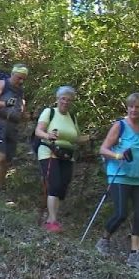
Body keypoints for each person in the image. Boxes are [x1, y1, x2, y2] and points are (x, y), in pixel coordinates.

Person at [94, 93, 139, 270]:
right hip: (119, 176)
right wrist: (118, 155)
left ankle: (134, 255)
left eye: (137, 107)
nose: (133, 110)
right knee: (121, 213)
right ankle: (104, 240)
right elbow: (103, 149)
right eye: (131, 106)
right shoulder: (120, 126)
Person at [34, 86, 92, 232]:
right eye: (63, 99)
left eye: (69, 100)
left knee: (62, 187)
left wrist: (92, 137)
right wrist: (49, 136)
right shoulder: (49, 112)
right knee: (54, 184)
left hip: (67, 155)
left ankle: (50, 218)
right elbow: (38, 131)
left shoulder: (72, 117)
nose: (66, 102)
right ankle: (52, 221)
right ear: (57, 99)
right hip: (49, 151)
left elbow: (77, 138)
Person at [0, 64, 29, 198]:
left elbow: (20, 108)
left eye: (23, 79)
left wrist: (25, 115)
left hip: (12, 127)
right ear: (13, 74)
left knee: (7, 160)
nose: (21, 81)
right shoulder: (2, 84)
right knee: (0, 157)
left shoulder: (20, 91)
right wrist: (4, 104)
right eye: (19, 78)